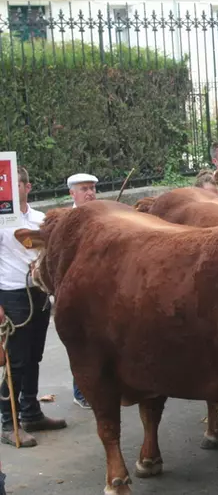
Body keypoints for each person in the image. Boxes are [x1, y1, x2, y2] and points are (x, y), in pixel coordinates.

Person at [0, 166, 67, 447]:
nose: (12, 190)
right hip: (11, 294)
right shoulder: (1, 220)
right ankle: (8, 422)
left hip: (38, 292)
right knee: (16, 361)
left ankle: (30, 412)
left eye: (18, 184)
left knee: (34, 357)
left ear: (27, 187)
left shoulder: (40, 219)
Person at [66, 173, 98, 409]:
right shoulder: (67, 221)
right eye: (84, 189)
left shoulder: (103, 215)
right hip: (74, 292)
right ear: (72, 193)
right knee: (79, 343)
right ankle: (81, 391)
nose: (90, 193)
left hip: (98, 290)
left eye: (92, 188)